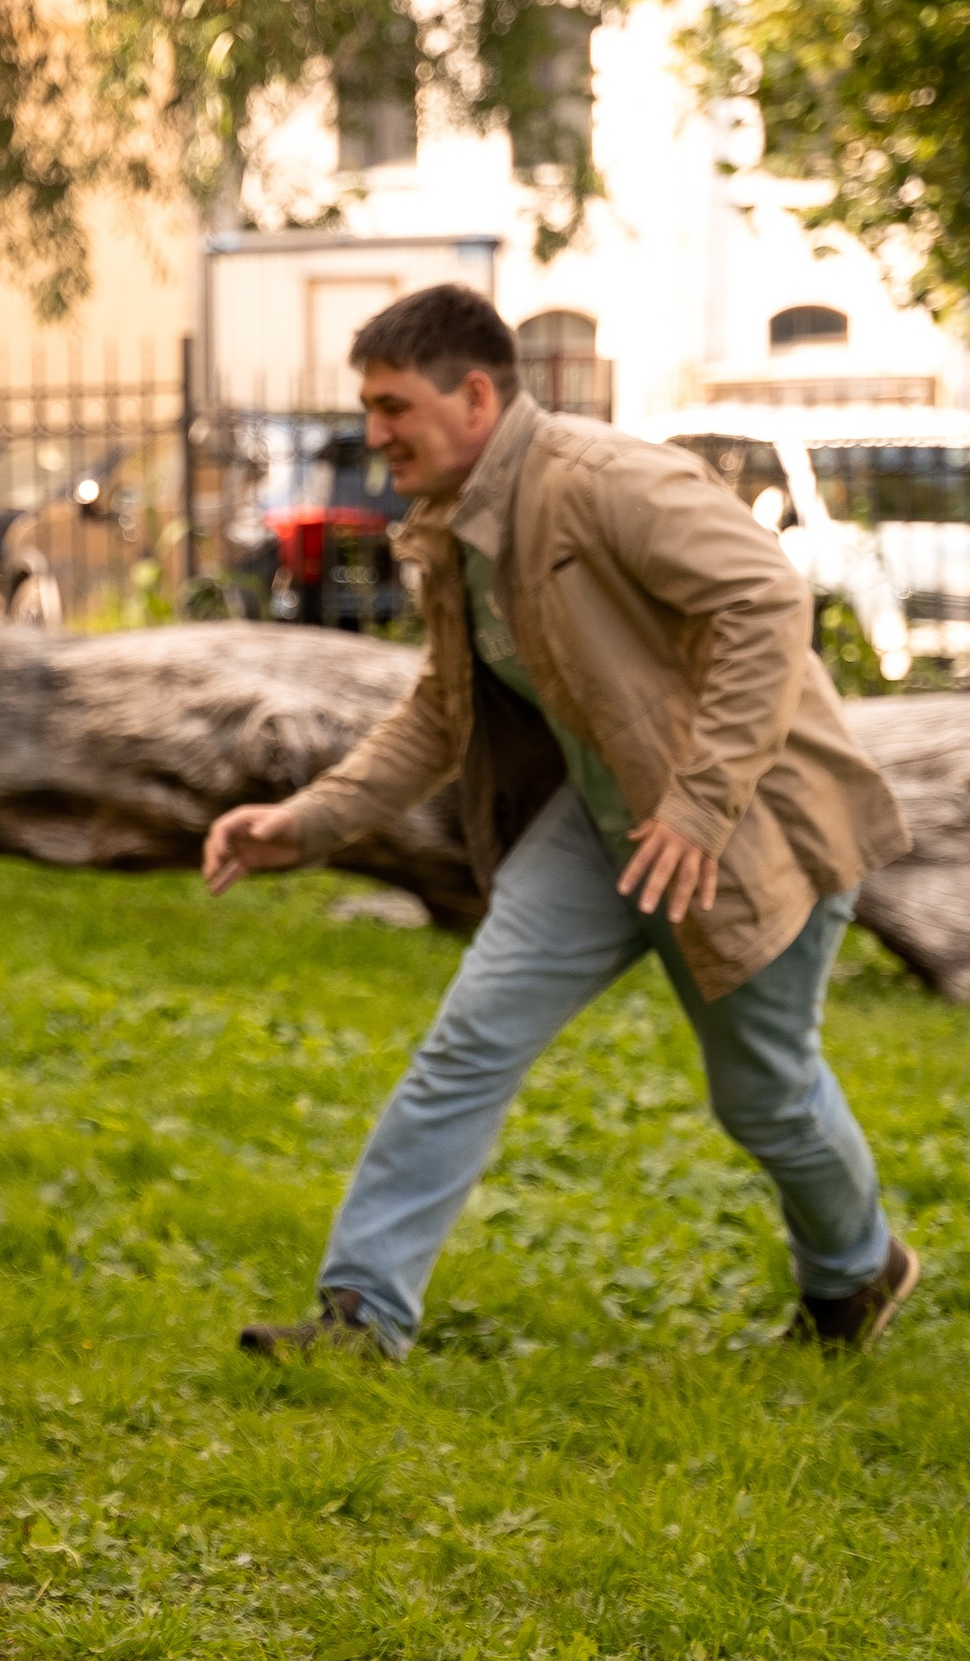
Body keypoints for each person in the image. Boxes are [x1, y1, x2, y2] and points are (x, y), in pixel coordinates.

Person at [204, 284, 919, 1357]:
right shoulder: (455, 525)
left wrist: (698, 801)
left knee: (764, 1096)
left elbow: (766, 601)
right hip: (605, 830)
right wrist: (304, 824)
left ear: (476, 396)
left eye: (392, 405)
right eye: (371, 407)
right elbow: (442, 709)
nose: (374, 434)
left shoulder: (601, 480)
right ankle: (362, 1316)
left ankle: (858, 1271)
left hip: (753, 824)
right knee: (467, 1045)